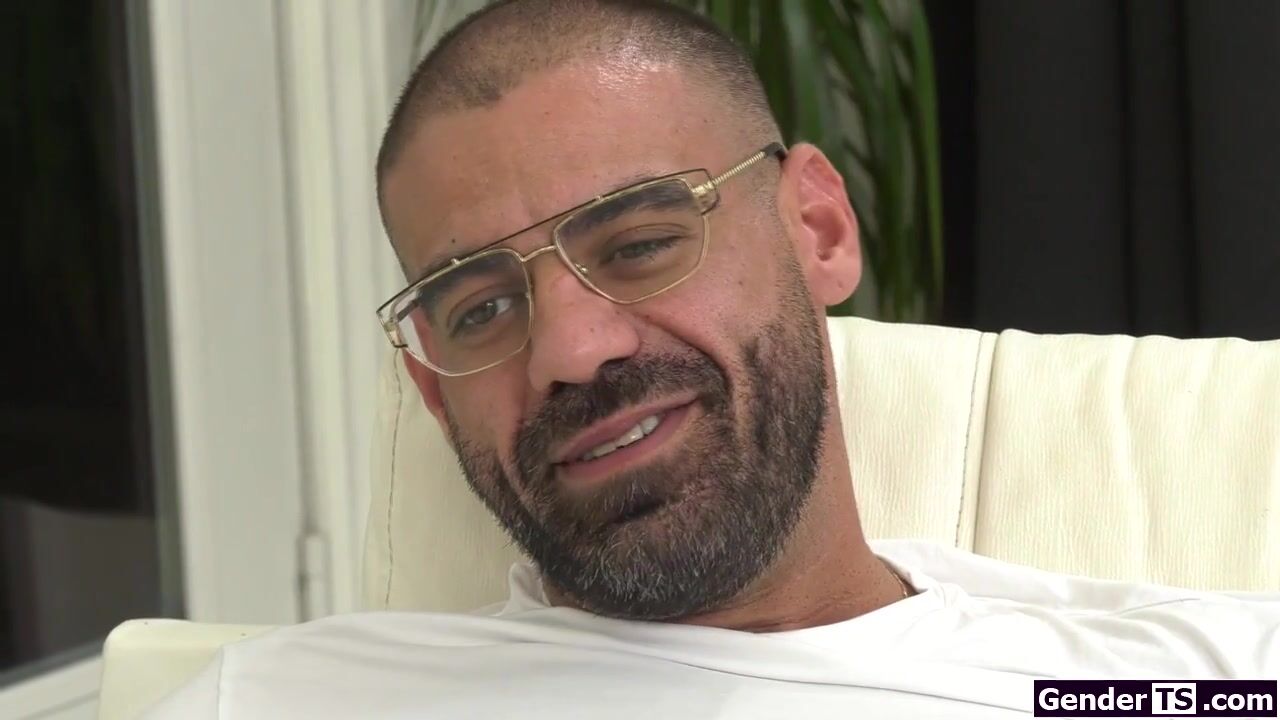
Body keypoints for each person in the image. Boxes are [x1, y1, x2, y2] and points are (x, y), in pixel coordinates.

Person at [147, 1, 1279, 717]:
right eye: (481, 308)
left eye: (639, 244)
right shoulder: (280, 702)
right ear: (432, 395)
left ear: (816, 230)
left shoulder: (1195, 680)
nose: (571, 350)